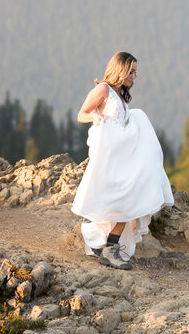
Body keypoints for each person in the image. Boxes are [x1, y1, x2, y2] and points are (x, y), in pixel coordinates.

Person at [71, 51, 174, 269]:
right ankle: (109, 247)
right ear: (120, 70)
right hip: (110, 154)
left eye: (135, 72)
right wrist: (96, 117)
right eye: (131, 72)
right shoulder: (103, 89)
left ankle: (110, 245)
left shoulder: (120, 94)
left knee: (131, 195)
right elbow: (82, 114)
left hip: (123, 153)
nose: (134, 77)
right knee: (125, 196)